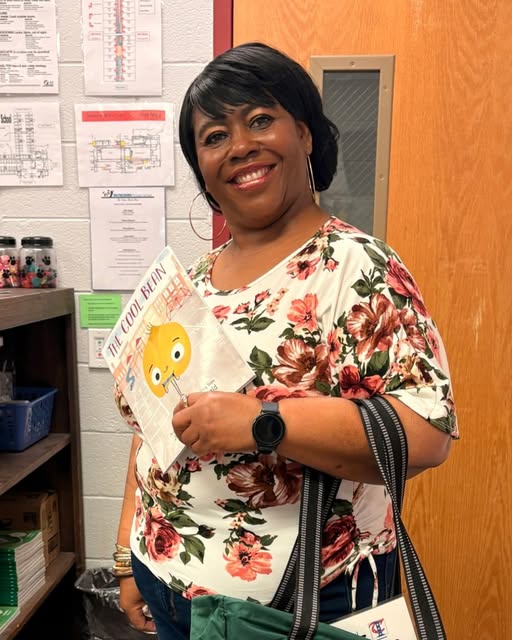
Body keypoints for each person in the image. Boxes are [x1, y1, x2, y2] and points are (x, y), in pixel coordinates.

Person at [112, 42, 459, 640]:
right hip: (164, 581)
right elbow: (151, 427)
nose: (239, 145)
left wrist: (262, 422)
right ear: (201, 169)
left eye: (260, 120)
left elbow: (427, 435)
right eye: (214, 136)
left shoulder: (355, 267)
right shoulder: (195, 280)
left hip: (292, 605)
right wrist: (127, 555)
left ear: (304, 133)